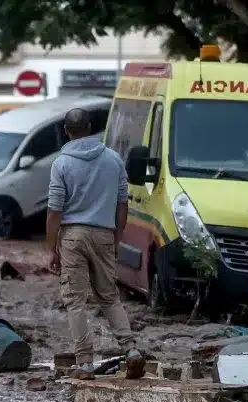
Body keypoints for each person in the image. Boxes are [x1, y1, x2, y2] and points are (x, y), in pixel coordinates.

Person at [46, 108, 145, 380]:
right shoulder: (113, 160)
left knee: (75, 301)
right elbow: (123, 203)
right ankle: (131, 350)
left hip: (73, 236)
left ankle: (85, 363)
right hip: (104, 233)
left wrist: (51, 248)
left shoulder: (61, 164)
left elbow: (54, 210)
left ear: (67, 131)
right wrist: (116, 238)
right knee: (109, 297)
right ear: (89, 127)